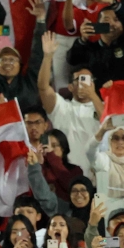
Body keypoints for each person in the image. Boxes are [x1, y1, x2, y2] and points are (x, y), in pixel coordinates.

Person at [38, 33, 102, 172]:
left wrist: (93, 95)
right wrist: (48, 57)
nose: (83, 84)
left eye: (87, 80)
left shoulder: (101, 106)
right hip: (68, 176)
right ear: (70, 87)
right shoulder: (62, 107)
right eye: (79, 80)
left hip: (98, 175)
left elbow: (108, 120)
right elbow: (43, 88)